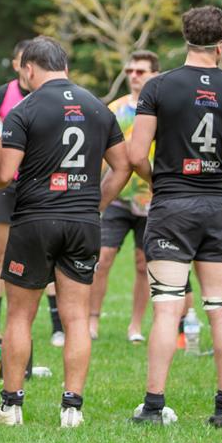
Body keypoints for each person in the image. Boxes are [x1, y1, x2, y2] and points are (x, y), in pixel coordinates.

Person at [0, 37, 129, 428]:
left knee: (20, 318)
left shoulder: (25, 108)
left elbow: (5, 173)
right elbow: (124, 166)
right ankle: (72, 409)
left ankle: (11, 406)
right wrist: (97, 204)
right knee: (76, 317)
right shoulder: (97, 107)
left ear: (29, 69)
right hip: (82, 223)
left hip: (35, 220)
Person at [124, 7, 222, 428]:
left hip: (172, 206)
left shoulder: (159, 87)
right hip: (217, 207)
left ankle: (153, 405)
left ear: (185, 39)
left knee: (167, 307)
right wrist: (221, 171)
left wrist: (163, 176)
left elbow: (134, 155)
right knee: (221, 307)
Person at [94, 50, 160, 343]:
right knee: (103, 258)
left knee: (143, 264)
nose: (134, 76)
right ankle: (91, 321)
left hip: (151, 200)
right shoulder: (114, 110)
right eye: (130, 70)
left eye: (141, 71)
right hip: (117, 196)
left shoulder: (163, 108)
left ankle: (135, 326)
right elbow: (101, 155)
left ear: (154, 75)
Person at [0, 40, 30, 335]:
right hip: (4, 184)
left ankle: (56, 326)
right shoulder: (1, 95)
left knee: (41, 254)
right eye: (23, 60)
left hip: (37, 186)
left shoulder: (47, 95)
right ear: (15, 64)